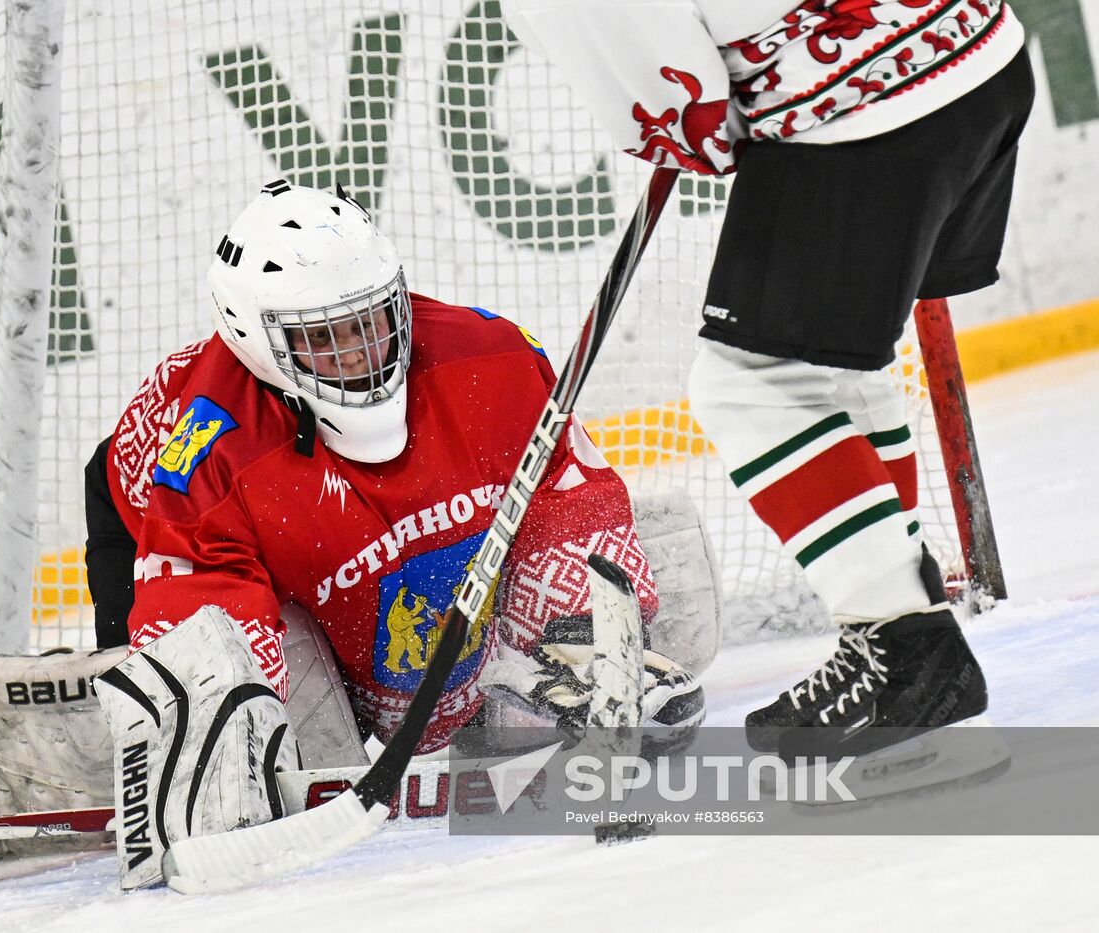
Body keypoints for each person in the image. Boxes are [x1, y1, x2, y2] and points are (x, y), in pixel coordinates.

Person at [84, 181, 710, 885]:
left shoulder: (489, 356)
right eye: (323, 337)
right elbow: (201, 592)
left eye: (371, 320)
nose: (357, 352)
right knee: (274, 722)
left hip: (375, 565)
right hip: (154, 526)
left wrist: (573, 632)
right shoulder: (208, 452)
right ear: (258, 344)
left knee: (672, 582)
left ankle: (519, 680)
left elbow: (566, 485)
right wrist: (220, 720)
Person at [504, 0, 1032, 768]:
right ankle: (904, 610)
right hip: (982, 55)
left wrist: (693, 129)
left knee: (750, 385)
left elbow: (674, 103)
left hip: (864, 109)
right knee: (831, 361)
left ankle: (907, 650)